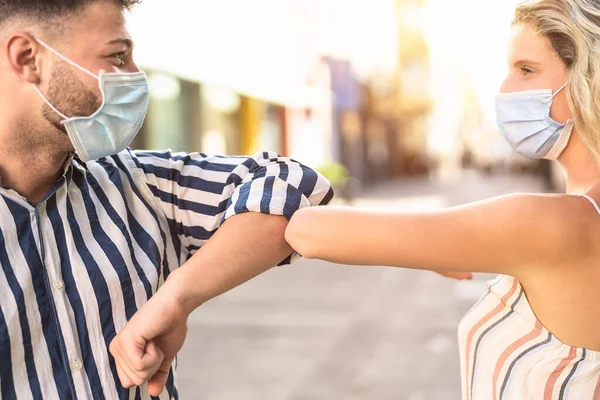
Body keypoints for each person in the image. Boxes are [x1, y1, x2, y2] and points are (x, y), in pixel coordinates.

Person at [0, 0, 333, 398]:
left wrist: (177, 297)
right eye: (117, 56)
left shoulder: (139, 185)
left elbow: (294, 185)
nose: (136, 77)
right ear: (27, 58)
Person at [285, 0, 600, 398]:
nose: (504, 89)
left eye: (526, 70)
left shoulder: (553, 222)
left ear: (588, 80)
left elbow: (310, 231)